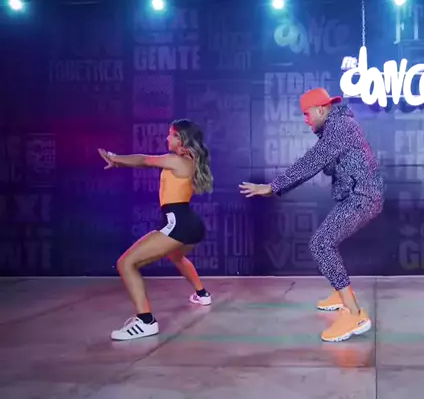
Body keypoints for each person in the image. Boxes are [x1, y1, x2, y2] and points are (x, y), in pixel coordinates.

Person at [240, 88, 384, 342]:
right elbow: (323, 163)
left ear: (321, 109)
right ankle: (341, 294)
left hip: (362, 197)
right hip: (357, 196)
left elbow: (312, 162)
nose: (305, 120)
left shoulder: (340, 126)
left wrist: (273, 187)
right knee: (325, 243)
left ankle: (354, 314)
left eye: (306, 114)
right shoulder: (336, 127)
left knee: (321, 243)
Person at [98, 119, 214, 341]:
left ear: (181, 139)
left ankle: (146, 321)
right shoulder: (189, 160)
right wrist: (120, 163)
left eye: (171, 134)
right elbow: (145, 163)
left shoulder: (176, 160)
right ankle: (202, 294)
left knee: (126, 263)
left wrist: (115, 157)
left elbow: (144, 160)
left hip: (178, 223)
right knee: (176, 256)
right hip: (189, 222)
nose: (167, 138)